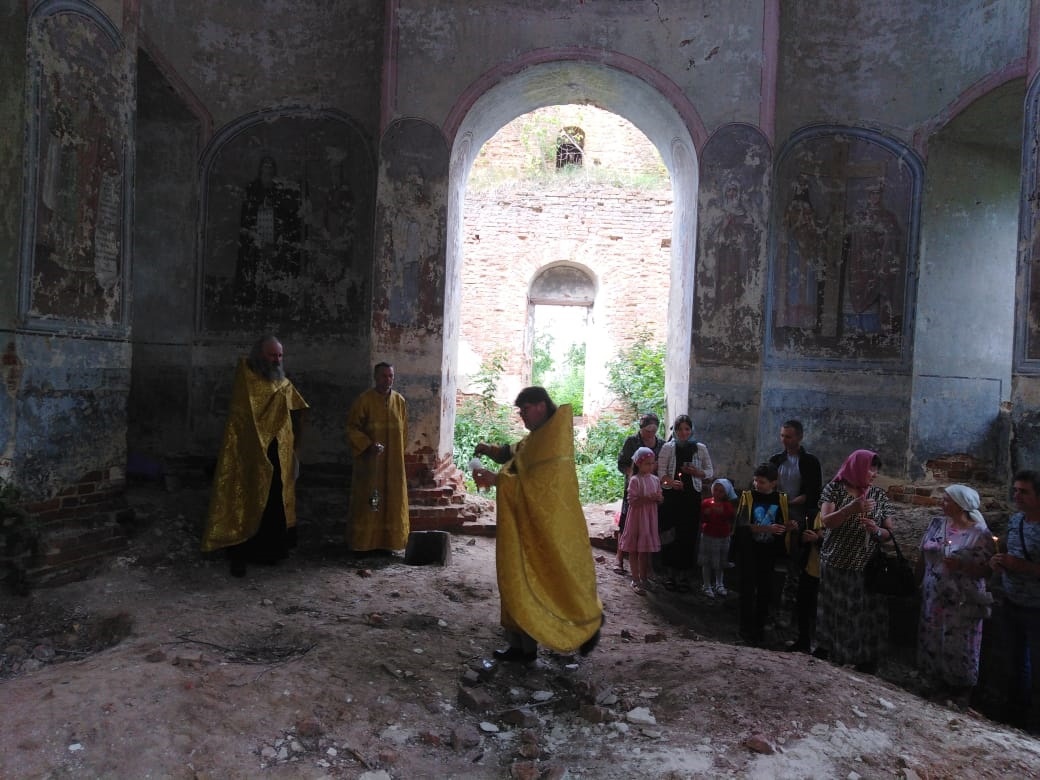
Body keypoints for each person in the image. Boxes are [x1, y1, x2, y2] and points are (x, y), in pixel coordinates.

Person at [472, 387, 603, 665]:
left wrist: (497, 480)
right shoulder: (539, 435)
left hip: (549, 528)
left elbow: (540, 486)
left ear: (541, 406)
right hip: (525, 524)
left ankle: (586, 626)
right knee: (517, 577)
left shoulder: (553, 439)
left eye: (525, 410)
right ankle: (521, 647)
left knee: (553, 578)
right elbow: (518, 455)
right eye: (520, 412)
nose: (522, 417)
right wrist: (491, 451)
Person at [201, 336, 309, 577]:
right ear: (259, 355)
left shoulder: (282, 381)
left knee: (274, 500)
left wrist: (293, 445)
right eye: (272, 355)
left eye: (280, 355)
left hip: (278, 450)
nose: (276, 360)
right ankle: (242, 552)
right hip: (250, 453)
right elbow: (242, 420)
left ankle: (271, 552)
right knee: (248, 498)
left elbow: (297, 408)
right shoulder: (247, 381)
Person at [814, 449, 896, 673]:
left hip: (867, 565)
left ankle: (864, 658)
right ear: (857, 466)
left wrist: (877, 531)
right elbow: (826, 522)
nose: (874, 474)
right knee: (837, 609)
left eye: (876, 469)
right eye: (871, 468)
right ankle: (834, 652)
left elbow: (889, 531)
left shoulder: (878, 495)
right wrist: (851, 508)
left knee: (865, 613)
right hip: (837, 561)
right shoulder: (834, 489)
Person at [917, 484, 995, 705]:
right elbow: (922, 555)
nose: (943, 503)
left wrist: (961, 565)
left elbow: (987, 570)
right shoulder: (936, 524)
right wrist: (918, 582)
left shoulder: (979, 533)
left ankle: (960, 689)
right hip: (934, 593)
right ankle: (937, 682)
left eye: (947, 500)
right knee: (933, 637)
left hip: (962, 599)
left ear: (961, 504)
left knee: (960, 644)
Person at [991, 469, 1040, 732]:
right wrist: (999, 562)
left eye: (1024, 491)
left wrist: (1020, 566)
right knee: (1014, 662)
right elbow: (1009, 553)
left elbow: (1022, 562)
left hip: (1036, 608)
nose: (1017, 495)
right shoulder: (1015, 521)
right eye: (1016, 490)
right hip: (1011, 601)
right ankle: (1015, 717)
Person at [768, 420, 823, 642]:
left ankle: (790, 615)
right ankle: (772, 610)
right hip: (777, 514)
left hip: (799, 516)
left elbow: (813, 492)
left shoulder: (809, 462)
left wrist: (792, 502)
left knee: (795, 567)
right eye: (782, 436)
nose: (784, 440)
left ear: (799, 437)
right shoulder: (776, 460)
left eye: (788, 436)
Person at [346, 363, 409, 553]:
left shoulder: (399, 401)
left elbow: (404, 431)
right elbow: (352, 428)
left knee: (392, 500)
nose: (388, 380)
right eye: (384, 376)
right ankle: (364, 545)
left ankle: (389, 543)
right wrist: (367, 445)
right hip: (370, 464)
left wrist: (397, 454)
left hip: (393, 463)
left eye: (391, 376)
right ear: (376, 377)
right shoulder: (364, 401)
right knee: (369, 501)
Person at [657, 415, 713, 592]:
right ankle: (669, 574)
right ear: (675, 430)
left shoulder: (700, 448)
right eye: (680, 429)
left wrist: (697, 472)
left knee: (688, 535)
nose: (683, 433)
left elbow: (710, 471)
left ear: (691, 430)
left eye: (687, 429)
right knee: (670, 533)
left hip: (691, 497)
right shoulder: (668, 448)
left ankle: (683, 576)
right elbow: (661, 473)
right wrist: (671, 483)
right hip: (672, 498)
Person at [734, 463, 789, 645]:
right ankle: (744, 630)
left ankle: (759, 630)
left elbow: (783, 524)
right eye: (756, 480)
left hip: (769, 552)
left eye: (762, 482)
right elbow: (742, 526)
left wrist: (790, 526)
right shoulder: (748, 497)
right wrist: (767, 528)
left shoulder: (781, 499)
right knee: (747, 590)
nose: (757, 484)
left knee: (765, 591)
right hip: (750, 551)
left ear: (774, 483)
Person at [615, 413, 664, 574]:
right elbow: (622, 463)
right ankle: (620, 558)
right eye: (647, 430)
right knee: (626, 521)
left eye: (653, 430)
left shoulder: (661, 444)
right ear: (641, 428)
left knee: (647, 525)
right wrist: (633, 474)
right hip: (634, 486)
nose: (650, 433)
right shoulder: (632, 441)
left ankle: (646, 566)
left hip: (651, 486)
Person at [618, 447, 663, 595]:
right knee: (634, 549)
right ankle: (635, 579)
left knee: (644, 551)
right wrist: (648, 499)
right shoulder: (635, 481)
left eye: (652, 463)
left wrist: (659, 498)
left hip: (649, 519)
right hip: (637, 519)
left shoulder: (655, 480)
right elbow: (632, 501)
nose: (650, 466)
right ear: (638, 464)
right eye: (647, 464)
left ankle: (644, 578)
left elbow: (660, 497)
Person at [699, 478, 737, 598]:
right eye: (716, 490)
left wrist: (723, 512)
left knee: (720, 562)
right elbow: (702, 518)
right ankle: (706, 585)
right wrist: (706, 514)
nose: (717, 493)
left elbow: (731, 518)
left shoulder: (727, 505)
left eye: (721, 491)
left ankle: (719, 584)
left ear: (726, 493)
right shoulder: (705, 502)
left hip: (722, 537)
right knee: (707, 561)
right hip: (708, 535)